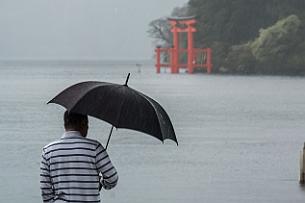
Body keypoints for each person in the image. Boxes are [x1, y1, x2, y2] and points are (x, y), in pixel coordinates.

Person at [40, 111, 118, 203]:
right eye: (87, 124)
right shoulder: (95, 147)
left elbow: (45, 189)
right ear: (83, 123)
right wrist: (101, 183)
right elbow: (112, 178)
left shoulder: (48, 150)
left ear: (65, 124)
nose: (88, 128)